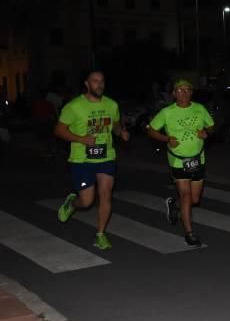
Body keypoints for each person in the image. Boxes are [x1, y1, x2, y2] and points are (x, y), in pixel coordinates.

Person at [54, 70, 129, 250]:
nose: (99, 84)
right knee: (86, 202)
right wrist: (81, 139)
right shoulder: (74, 106)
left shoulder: (111, 104)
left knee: (106, 194)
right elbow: (59, 130)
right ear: (87, 84)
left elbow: (116, 123)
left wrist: (121, 132)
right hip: (82, 159)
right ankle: (72, 203)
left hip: (106, 156)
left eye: (102, 81)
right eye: (95, 81)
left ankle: (100, 234)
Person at [146, 79, 215, 247]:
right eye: (179, 90)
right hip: (178, 160)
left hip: (198, 158)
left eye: (187, 90)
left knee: (195, 198)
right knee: (186, 195)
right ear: (173, 94)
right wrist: (167, 139)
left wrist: (206, 132)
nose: (183, 93)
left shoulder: (199, 109)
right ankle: (189, 234)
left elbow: (211, 126)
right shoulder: (167, 112)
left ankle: (173, 204)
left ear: (191, 93)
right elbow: (151, 130)